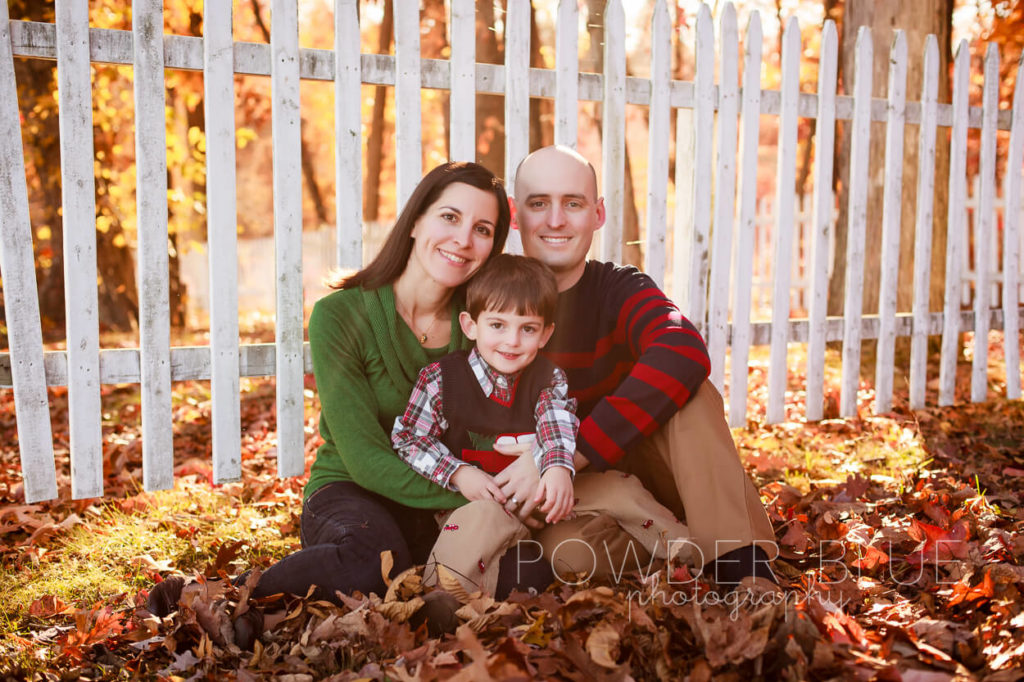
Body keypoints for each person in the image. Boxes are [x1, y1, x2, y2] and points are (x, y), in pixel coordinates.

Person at [147, 162, 545, 641]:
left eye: (482, 229)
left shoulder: (488, 326)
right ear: (416, 220)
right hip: (353, 491)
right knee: (375, 562)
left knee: (530, 573)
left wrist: (520, 486)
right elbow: (363, 456)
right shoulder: (341, 314)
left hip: (447, 501)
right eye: (450, 217)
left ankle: (385, 607)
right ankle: (220, 596)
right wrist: (481, 496)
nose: (463, 239)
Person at [494, 145, 779, 589]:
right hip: (572, 501)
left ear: (598, 213)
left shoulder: (619, 287)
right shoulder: (493, 304)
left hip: (643, 469)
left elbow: (682, 348)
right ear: (515, 214)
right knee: (567, 555)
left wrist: (566, 452)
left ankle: (742, 572)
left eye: (573, 203)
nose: (555, 220)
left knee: (691, 392)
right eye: (538, 204)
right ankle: (681, 547)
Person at [391, 254, 694, 596]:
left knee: (620, 489)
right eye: (497, 325)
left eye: (528, 329)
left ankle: (690, 552)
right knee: (472, 529)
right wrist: (459, 473)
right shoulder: (441, 380)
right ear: (469, 325)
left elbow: (557, 424)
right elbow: (408, 438)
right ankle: (441, 601)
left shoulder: (548, 379)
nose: (512, 341)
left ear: (546, 333)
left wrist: (557, 468)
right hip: (479, 502)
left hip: (544, 495)